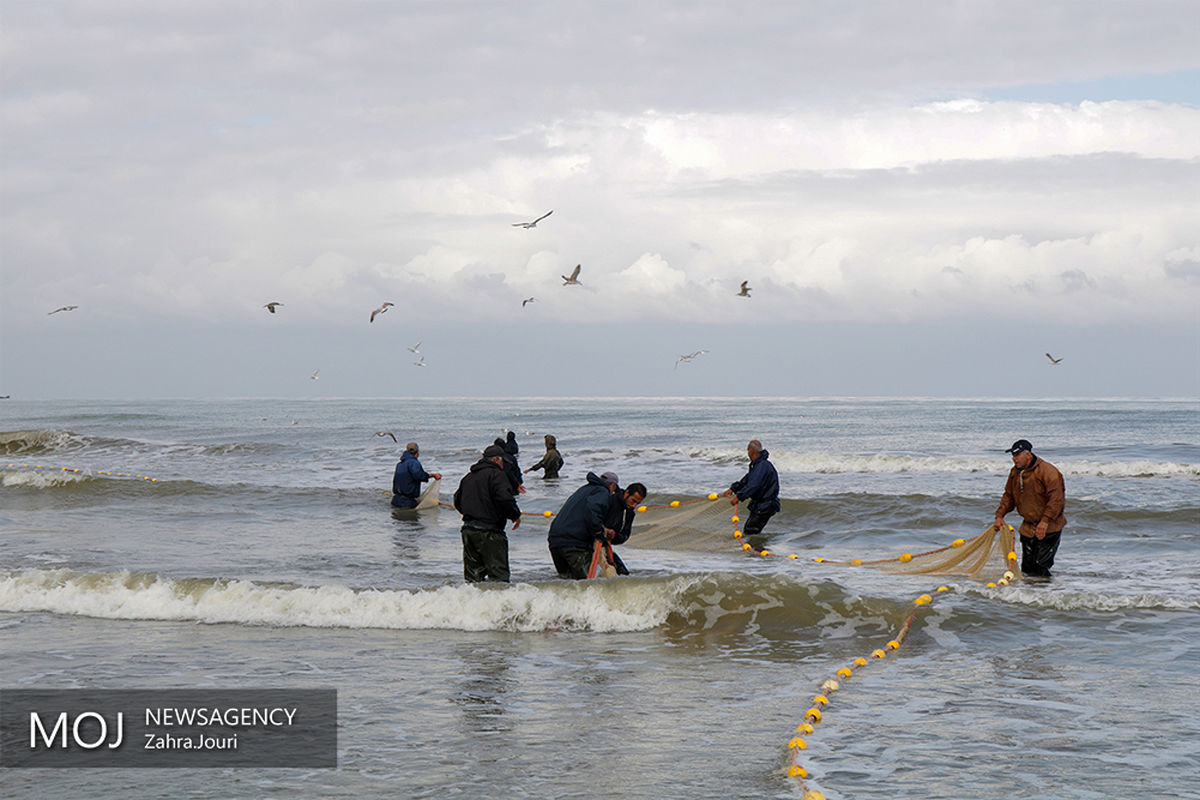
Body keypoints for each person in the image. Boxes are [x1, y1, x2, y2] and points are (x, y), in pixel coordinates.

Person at [994, 439, 1067, 578]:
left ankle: (1046, 595)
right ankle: (1029, 595)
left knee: (1040, 566)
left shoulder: (1048, 471)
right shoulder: (1015, 472)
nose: (1014, 459)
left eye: (1017, 455)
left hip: (1050, 527)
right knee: (1027, 569)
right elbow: (1008, 496)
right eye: (1013, 455)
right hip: (1028, 528)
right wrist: (999, 515)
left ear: (1028, 454)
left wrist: (1045, 521)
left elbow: (1056, 500)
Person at [453, 444, 522, 582]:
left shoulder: (468, 477)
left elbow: (457, 500)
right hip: (490, 532)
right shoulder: (497, 475)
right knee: (499, 577)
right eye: (503, 461)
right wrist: (515, 515)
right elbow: (505, 498)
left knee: (473, 578)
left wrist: (471, 513)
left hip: (468, 531)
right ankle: (497, 603)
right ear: (497, 459)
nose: (503, 465)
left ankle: (474, 602)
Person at [547, 471, 620, 579]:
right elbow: (593, 510)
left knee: (567, 584)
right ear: (612, 485)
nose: (612, 494)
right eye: (614, 491)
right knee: (587, 586)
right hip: (574, 544)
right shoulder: (602, 491)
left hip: (555, 541)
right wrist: (599, 532)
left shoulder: (584, 489)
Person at [721, 439, 781, 537]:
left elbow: (754, 485)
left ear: (752, 451)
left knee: (750, 532)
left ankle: (756, 551)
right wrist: (733, 489)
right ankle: (758, 549)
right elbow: (746, 480)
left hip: (765, 505)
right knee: (751, 533)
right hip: (761, 505)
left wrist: (739, 497)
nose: (748, 453)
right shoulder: (758, 465)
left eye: (748, 450)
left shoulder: (762, 466)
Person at [603, 479, 647, 576]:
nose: (634, 505)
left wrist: (614, 536)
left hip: (606, 546)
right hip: (591, 544)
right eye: (633, 501)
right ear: (627, 493)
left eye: (637, 504)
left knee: (624, 574)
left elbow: (625, 535)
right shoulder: (609, 500)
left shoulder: (630, 513)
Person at [391, 442, 442, 509]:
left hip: (395, 500)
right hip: (407, 502)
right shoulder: (413, 462)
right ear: (417, 452)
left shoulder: (400, 464)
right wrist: (433, 475)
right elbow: (419, 475)